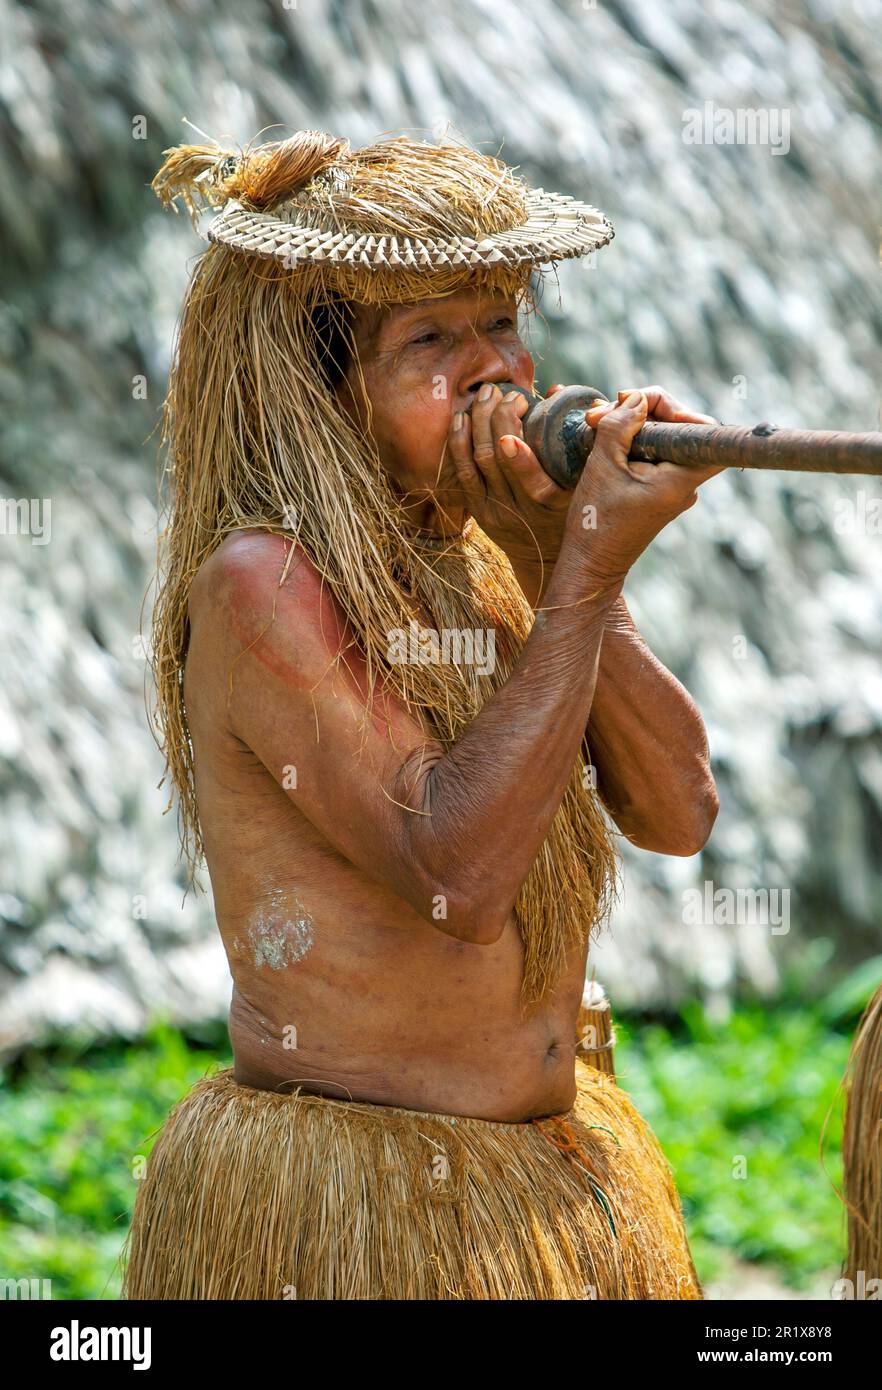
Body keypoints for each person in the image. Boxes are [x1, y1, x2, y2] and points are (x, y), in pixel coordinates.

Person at [124, 126, 721, 1300]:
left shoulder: (494, 559)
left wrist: (560, 560)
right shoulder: (263, 585)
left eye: (502, 321)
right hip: (364, 1207)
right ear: (324, 385)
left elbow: (680, 808)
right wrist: (588, 572)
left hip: (535, 1184)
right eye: (433, 340)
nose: (495, 368)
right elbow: (457, 871)